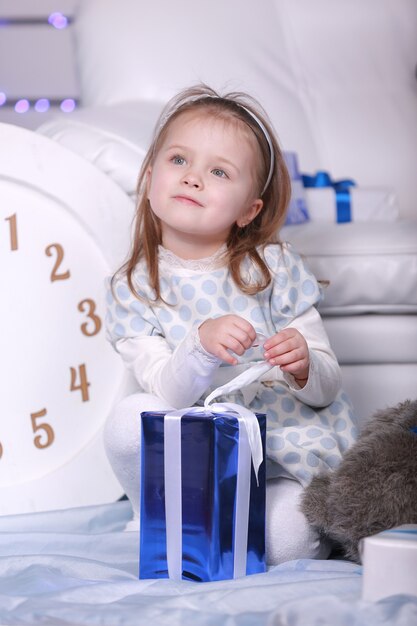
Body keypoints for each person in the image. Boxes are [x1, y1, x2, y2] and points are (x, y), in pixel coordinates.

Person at [105, 84, 358, 565]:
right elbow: (167, 395)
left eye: (219, 171)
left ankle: (259, 520)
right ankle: (154, 515)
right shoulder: (134, 286)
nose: (193, 178)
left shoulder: (273, 269)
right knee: (128, 418)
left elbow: (326, 389)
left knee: (283, 545)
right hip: (193, 448)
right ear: (151, 173)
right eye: (179, 160)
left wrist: (303, 366)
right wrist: (199, 347)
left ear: (249, 210)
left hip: (281, 449)